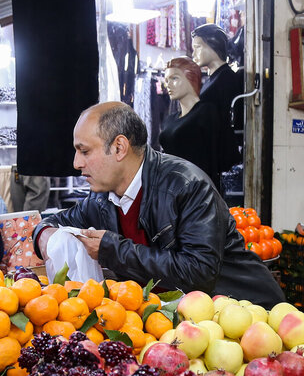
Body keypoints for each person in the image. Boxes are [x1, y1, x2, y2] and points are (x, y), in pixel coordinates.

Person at [33, 102, 285, 308]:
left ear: (119, 147)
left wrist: (113, 250)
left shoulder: (186, 186)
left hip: (246, 311)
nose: (76, 163)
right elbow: (56, 221)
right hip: (178, 323)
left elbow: (199, 273)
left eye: (84, 151)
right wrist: (44, 235)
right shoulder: (101, 199)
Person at [158, 57, 222, 189]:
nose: (168, 85)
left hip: (197, 190)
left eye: (174, 78)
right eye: (166, 80)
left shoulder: (206, 112)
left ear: (191, 78)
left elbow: (215, 159)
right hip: (170, 188)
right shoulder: (171, 118)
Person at [192, 23, 243, 172]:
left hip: (219, 157)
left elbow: (226, 123)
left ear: (213, 45)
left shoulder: (225, 78)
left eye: (198, 47)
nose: (194, 54)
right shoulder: (214, 78)